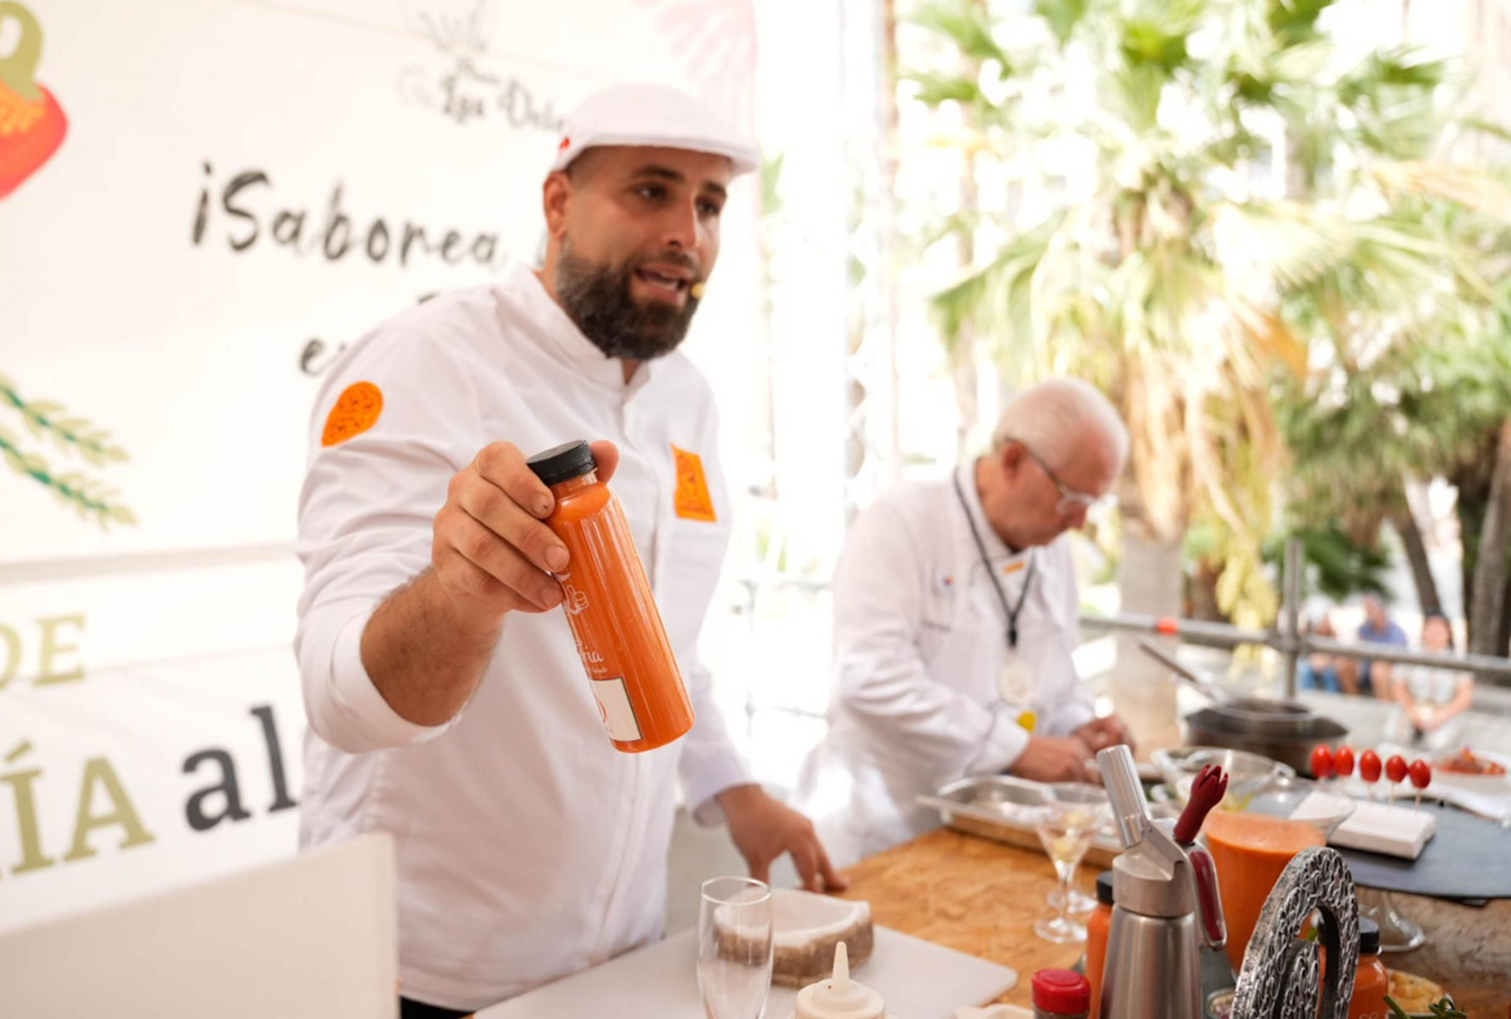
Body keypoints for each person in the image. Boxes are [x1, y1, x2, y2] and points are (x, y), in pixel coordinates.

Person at [294, 84, 841, 1017]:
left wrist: (735, 789)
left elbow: (667, 647)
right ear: (558, 203)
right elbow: (338, 696)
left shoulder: (689, 399)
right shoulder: (425, 362)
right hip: (424, 966)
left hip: (620, 954)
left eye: (709, 205)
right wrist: (461, 595)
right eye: (651, 192)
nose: (687, 232)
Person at [791, 379, 1136, 867]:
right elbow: (870, 676)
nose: (1078, 522)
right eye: (1070, 498)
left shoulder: (1051, 549)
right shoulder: (902, 522)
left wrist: (1081, 725)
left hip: (991, 827)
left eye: (1092, 504)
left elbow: (1055, 676)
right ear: (1013, 461)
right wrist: (1017, 748)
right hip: (882, 828)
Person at [1386, 609, 1475, 750]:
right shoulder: (1411, 655)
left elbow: (1465, 697)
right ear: (1423, 630)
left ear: (1448, 633)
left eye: (1440, 629)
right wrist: (1412, 710)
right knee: (1394, 734)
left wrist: (1442, 716)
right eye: (1431, 628)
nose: (1435, 633)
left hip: (1444, 710)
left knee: (1438, 743)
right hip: (1414, 707)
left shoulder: (1458, 660)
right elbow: (1398, 686)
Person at [1355, 594, 1407, 699]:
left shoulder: (1395, 631)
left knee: (1378, 669)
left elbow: (1397, 656)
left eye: (1370, 609)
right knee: (1345, 665)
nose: (1368, 612)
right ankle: (1354, 701)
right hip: (1367, 665)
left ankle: (1384, 705)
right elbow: (1358, 648)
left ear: (1381, 611)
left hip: (1388, 667)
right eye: (1366, 609)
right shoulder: (1364, 629)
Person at [1299, 607, 1344, 693]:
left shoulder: (1332, 634)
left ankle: (1332, 697)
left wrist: (1324, 663)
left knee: (1330, 674)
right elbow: (1306, 654)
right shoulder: (1309, 634)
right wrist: (1315, 662)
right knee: (1305, 670)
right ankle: (1306, 695)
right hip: (1312, 663)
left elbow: (1334, 654)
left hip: (1327, 664)